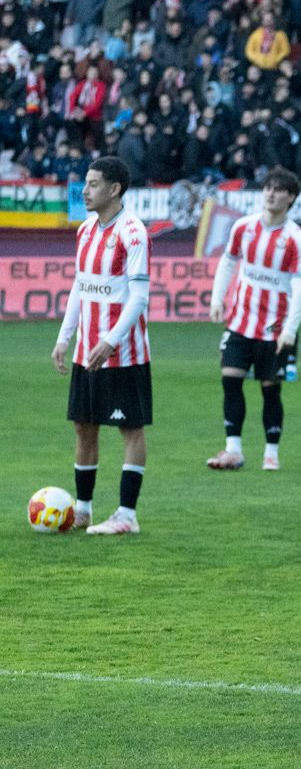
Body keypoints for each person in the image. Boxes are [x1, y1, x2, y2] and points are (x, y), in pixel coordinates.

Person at [51, 157, 150, 536]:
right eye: (85, 184)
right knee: (83, 426)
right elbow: (80, 286)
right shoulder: (86, 231)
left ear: (114, 189)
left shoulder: (134, 233)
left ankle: (127, 514)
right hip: (86, 350)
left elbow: (138, 298)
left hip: (124, 352)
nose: (85, 191)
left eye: (92, 184)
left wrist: (111, 341)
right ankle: (84, 509)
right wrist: (65, 337)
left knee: (131, 430)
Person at [206, 167, 301, 472]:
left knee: (270, 389)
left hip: (273, 327)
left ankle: (271, 452)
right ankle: (233, 450)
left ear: (290, 197)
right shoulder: (244, 227)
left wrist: (290, 329)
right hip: (240, 321)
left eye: (279, 190)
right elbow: (228, 263)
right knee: (230, 379)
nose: (271, 194)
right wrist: (217, 299)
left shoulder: (296, 240)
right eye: (268, 188)